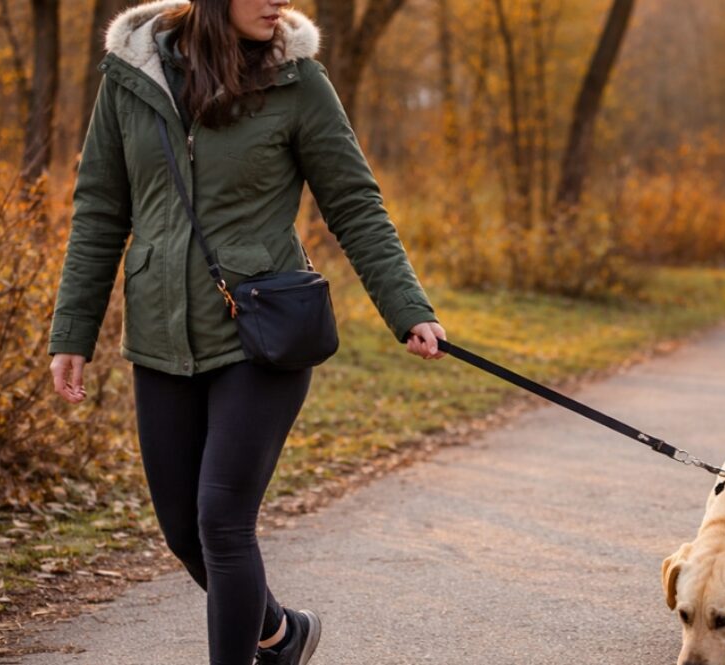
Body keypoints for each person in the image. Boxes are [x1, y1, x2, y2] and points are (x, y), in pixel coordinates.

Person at [47, 1, 446, 663]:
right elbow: (99, 207)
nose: (278, 3)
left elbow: (353, 201)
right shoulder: (130, 75)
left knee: (221, 522)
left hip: (263, 331)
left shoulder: (297, 80)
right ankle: (280, 634)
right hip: (161, 334)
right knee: (183, 530)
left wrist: (409, 307)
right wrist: (73, 331)